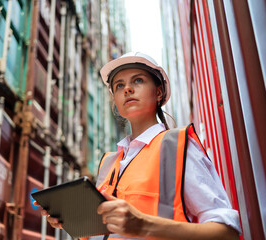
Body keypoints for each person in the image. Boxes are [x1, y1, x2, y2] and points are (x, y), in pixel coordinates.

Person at [34, 52, 242, 240]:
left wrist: (143, 226)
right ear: (115, 100)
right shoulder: (109, 162)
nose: (128, 89)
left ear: (158, 93)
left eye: (138, 80)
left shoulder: (175, 147)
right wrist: (75, 221)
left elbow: (227, 232)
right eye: (119, 86)